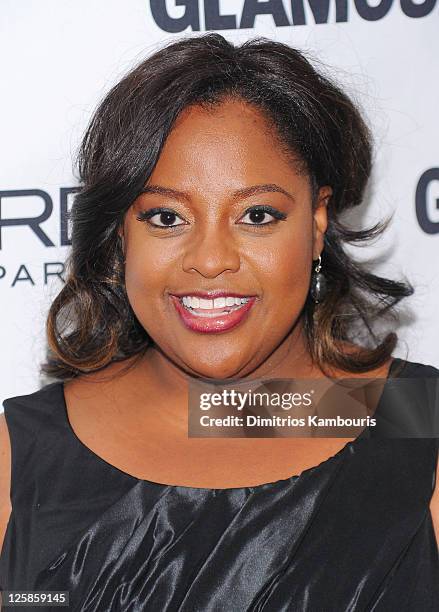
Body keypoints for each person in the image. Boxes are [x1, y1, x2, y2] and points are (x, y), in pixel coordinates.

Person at [0, 33, 437, 611]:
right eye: (166, 216)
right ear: (119, 234)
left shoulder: (418, 422)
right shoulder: (17, 459)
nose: (210, 259)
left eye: (257, 215)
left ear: (316, 221)